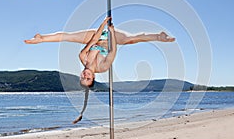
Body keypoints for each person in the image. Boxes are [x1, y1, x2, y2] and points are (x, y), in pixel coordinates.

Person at [25, 17, 175, 89]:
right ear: (94, 76)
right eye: (88, 78)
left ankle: (41, 38)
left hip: (94, 36)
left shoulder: (82, 57)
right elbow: (113, 51)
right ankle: (159, 37)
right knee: (130, 40)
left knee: (68, 37)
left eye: (83, 77)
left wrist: (103, 25)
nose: (85, 75)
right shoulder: (103, 67)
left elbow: (93, 41)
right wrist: (111, 33)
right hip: (111, 40)